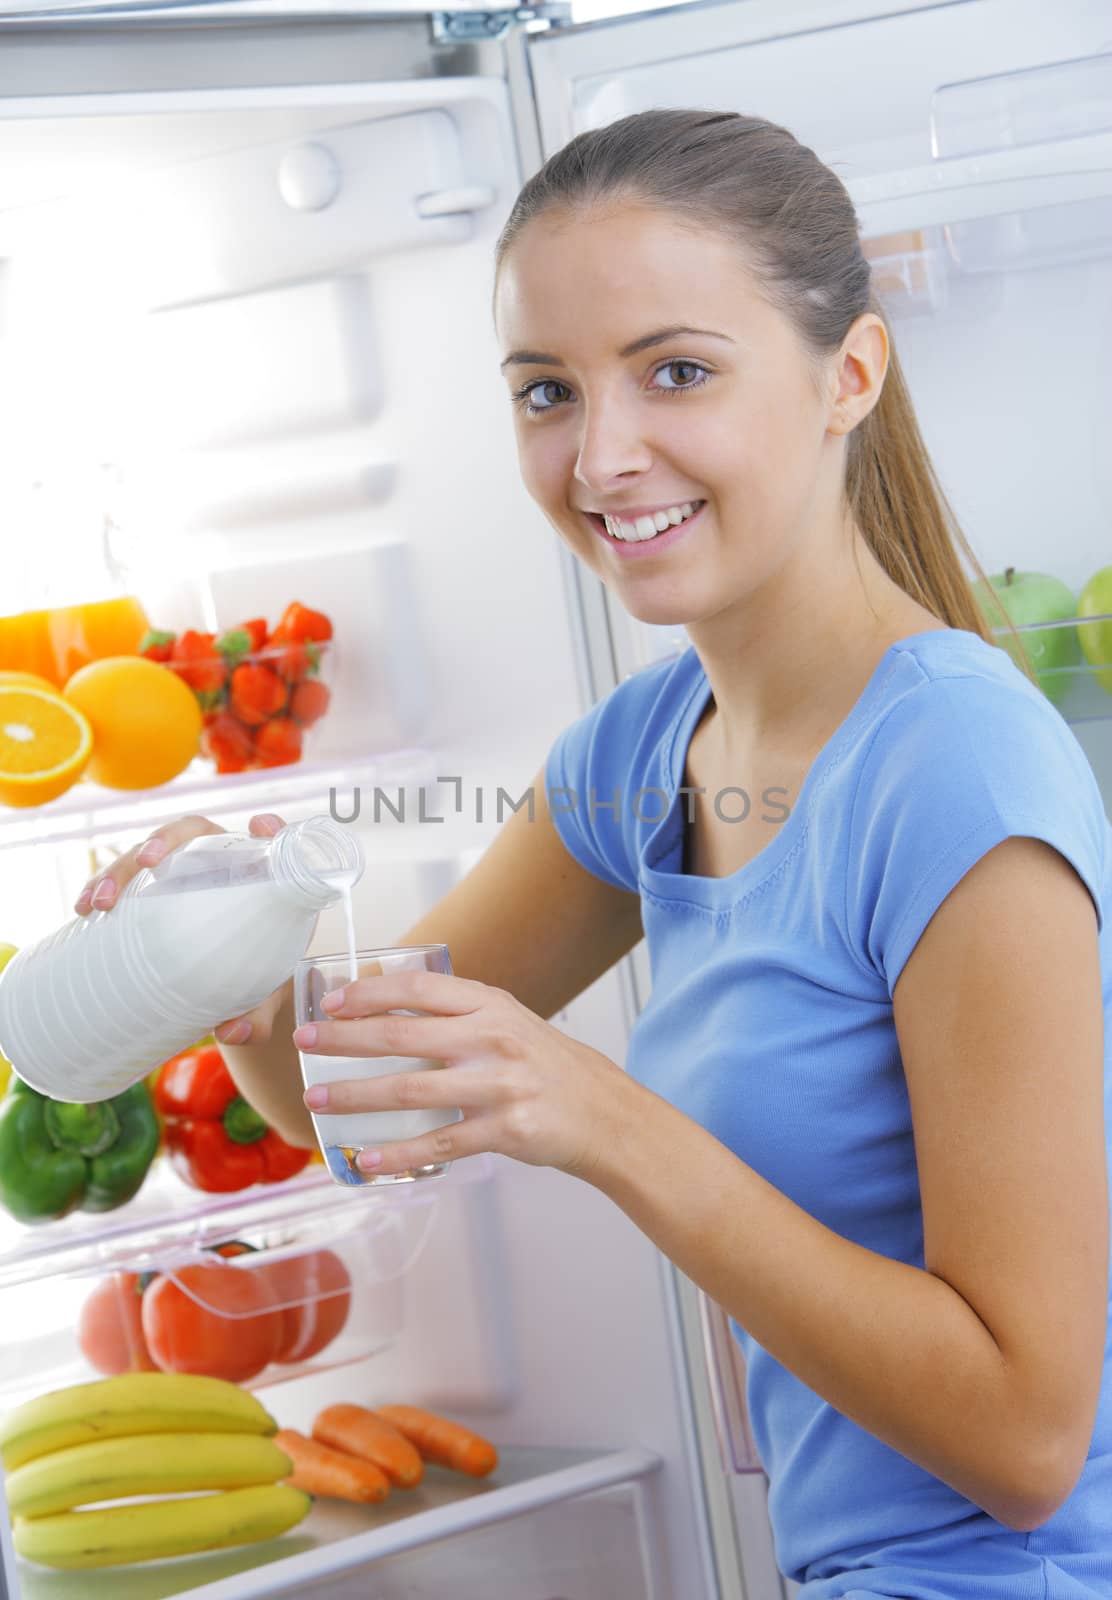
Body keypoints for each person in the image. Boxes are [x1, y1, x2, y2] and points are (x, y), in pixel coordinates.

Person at [76, 109, 1111, 1598]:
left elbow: (1027, 1438)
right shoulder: (645, 751)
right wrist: (239, 974)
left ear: (850, 378)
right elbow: (345, 1103)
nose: (604, 457)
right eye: (546, 391)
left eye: (676, 371)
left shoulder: (956, 769)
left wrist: (603, 1118)